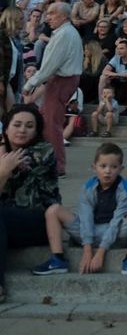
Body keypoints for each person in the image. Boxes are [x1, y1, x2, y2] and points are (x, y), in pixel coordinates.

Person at [31, 142, 127, 278]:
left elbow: (117, 221)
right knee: (53, 210)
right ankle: (58, 259)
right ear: (94, 168)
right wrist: (87, 250)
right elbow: (86, 218)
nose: (108, 171)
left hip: (116, 233)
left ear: (121, 169)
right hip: (89, 230)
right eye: (103, 166)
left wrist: (100, 252)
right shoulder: (88, 187)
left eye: (114, 167)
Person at [0, 105, 61, 302]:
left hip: (40, 221)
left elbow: (11, 168)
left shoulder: (42, 151)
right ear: (6, 128)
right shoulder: (5, 154)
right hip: (7, 222)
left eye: (29, 126)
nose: (22, 130)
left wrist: (3, 171)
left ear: (36, 131)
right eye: (16, 125)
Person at [21, 2, 82, 176]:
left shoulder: (64, 34)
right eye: (47, 13)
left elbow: (50, 66)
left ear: (64, 16)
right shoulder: (66, 33)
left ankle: (56, 166)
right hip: (62, 80)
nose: (47, 17)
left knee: (51, 125)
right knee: (48, 121)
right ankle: (50, 161)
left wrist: (29, 84)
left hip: (61, 80)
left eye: (52, 13)